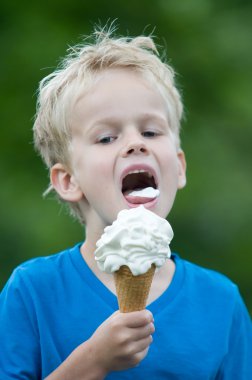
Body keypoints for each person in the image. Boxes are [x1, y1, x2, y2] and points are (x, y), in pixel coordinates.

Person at [0, 25, 251, 380]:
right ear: (69, 181)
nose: (136, 143)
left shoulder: (221, 302)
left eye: (151, 131)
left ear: (178, 168)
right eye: (106, 137)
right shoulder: (32, 291)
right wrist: (92, 361)